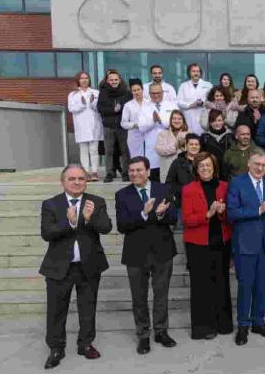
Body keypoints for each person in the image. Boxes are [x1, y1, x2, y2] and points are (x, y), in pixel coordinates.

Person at [40, 164, 112, 369]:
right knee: (56, 310)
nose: (77, 182)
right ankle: (56, 348)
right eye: (72, 179)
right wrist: (70, 224)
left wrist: (88, 220)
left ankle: (86, 344)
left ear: (86, 181)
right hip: (59, 267)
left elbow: (106, 227)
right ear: (63, 182)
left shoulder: (96, 202)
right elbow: (47, 233)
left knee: (87, 307)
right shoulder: (51, 204)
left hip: (89, 265)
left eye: (81, 178)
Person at [115, 156, 178, 354]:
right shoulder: (122, 194)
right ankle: (143, 335)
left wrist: (160, 214)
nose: (134, 174)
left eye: (139, 170)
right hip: (136, 253)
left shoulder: (163, 190)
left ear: (148, 171)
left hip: (162, 250)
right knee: (139, 297)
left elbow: (174, 217)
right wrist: (143, 213)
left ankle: (161, 331)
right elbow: (122, 225)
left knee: (161, 294)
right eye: (131, 170)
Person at [227, 150, 265, 345]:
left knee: (262, 285)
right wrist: (260, 208)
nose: (260, 168)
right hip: (245, 243)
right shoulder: (237, 183)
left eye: (263, 165)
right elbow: (232, 213)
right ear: (249, 164)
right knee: (245, 285)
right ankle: (243, 325)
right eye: (257, 164)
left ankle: (259, 322)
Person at [181, 152, 233, 339]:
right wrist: (208, 214)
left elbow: (230, 217)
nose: (205, 169)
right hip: (198, 245)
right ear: (196, 169)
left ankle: (224, 324)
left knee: (221, 283)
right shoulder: (188, 189)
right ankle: (204, 327)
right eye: (201, 166)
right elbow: (187, 220)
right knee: (201, 287)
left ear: (214, 167)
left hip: (221, 243)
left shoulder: (225, 187)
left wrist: (222, 212)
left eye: (208, 165)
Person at [123, 81, 175, 182]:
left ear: (162, 92)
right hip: (152, 146)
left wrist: (160, 121)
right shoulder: (144, 107)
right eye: (153, 93)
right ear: (149, 94)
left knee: (169, 174)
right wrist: (153, 121)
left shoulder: (171, 105)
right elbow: (141, 127)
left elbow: (176, 123)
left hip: (169, 144)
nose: (156, 95)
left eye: (158, 93)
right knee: (154, 176)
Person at [97, 69, 132, 183]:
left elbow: (130, 108)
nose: (114, 81)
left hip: (123, 126)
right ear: (107, 81)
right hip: (109, 125)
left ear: (120, 80)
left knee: (125, 151)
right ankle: (109, 173)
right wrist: (113, 110)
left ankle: (126, 173)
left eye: (116, 79)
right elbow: (100, 109)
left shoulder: (126, 93)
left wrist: (121, 110)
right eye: (111, 80)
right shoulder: (103, 92)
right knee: (109, 151)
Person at [68, 71, 103, 181]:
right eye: (82, 78)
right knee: (83, 150)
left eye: (86, 78)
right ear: (78, 80)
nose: (84, 80)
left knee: (94, 150)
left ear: (89, 80)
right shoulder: (73, 94)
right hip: (81, 125)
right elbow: (71, 108)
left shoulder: (96, 93)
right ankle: (85, 172)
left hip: (94, 125)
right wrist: (82, 104)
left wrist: (92, 103)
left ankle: (94, 172)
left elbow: (99, 108)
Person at [176, 63, 213, 136]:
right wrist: (190, 105)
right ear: (189, 73)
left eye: (197, 71)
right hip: (189, 117)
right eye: (193, 71)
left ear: (200, 73)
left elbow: (212, 101)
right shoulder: (183, 86)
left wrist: (202, 103)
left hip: (204, 117)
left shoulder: (208, 85)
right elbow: (179, 102)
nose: (196, 73)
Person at [166, 134, 201, 206]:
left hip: (201, 200)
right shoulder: (177, 162)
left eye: (196, 144)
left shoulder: (205, 161)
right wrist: (185, 189)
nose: (194, 146)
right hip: (182, 202)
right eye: (191, 144)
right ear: (186, 146)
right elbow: (169, 183)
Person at [155, 110, 189, 183]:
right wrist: (176, 145)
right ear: (170, 120)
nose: (177, 121)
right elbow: (160, 150)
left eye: (179, 119)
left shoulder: (189, 133)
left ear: (183, 120)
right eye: (174, 118)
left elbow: (194, 150)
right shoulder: (163, 134)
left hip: (185, 171)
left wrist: (184, 145)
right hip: (168, 171)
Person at [200, 110, 234, 175]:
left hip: (228, 172)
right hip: (211, 171)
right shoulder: (204, 137)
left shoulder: (230, 136)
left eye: (219, 120)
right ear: (210, 122)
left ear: (223, 121)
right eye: (214, 121)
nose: (217, 123)